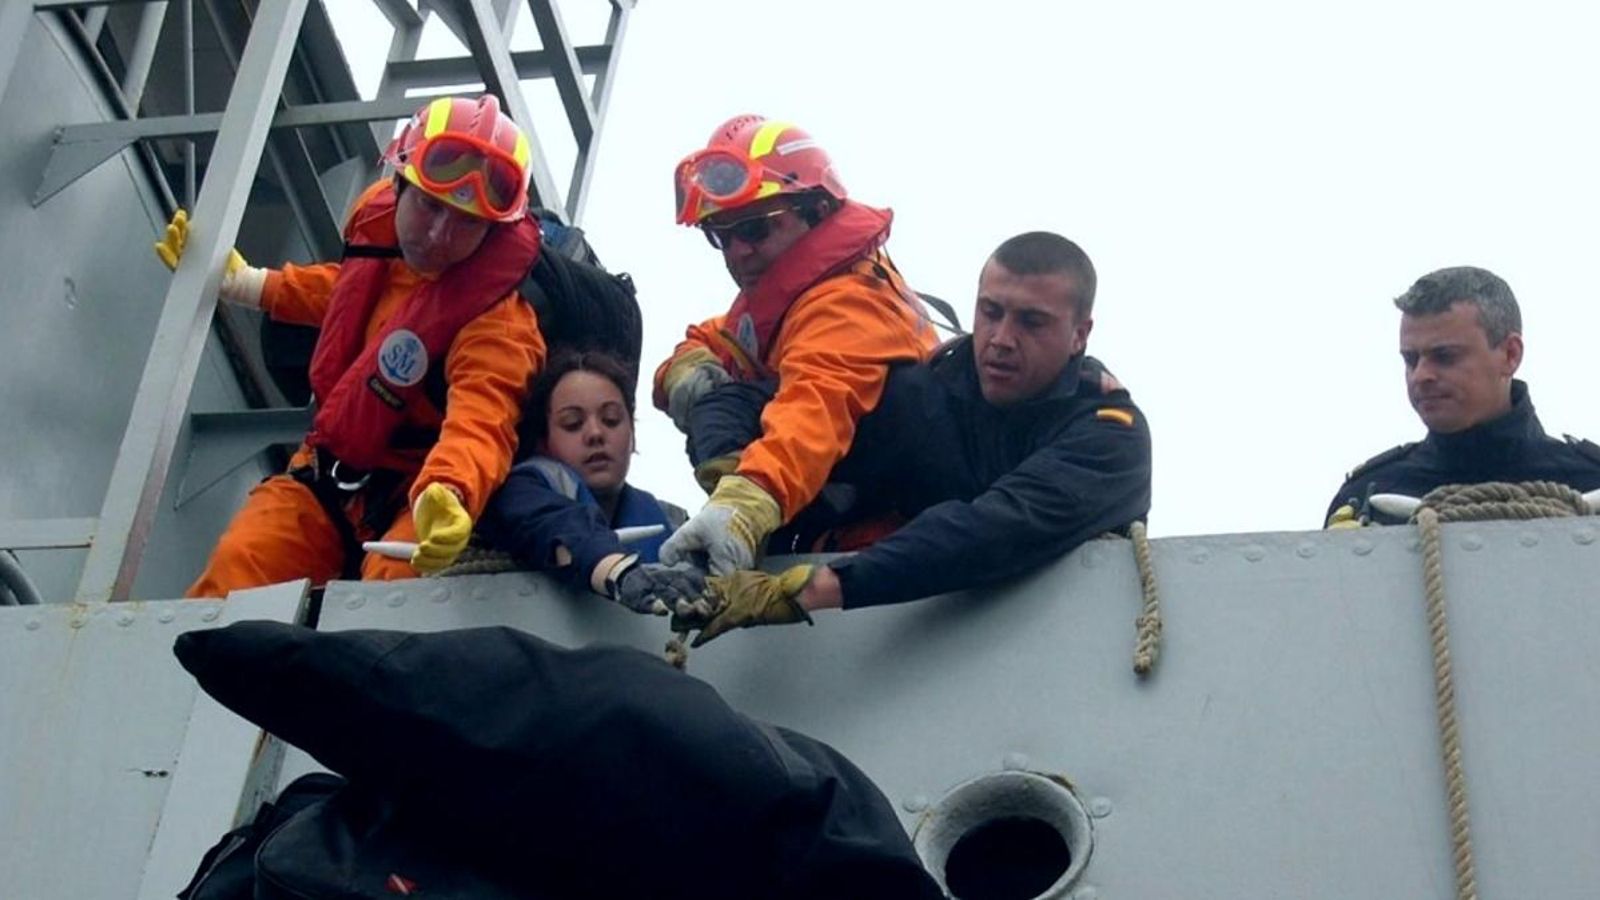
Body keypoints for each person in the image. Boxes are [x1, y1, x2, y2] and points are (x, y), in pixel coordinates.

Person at [678, 231, 1154, 645]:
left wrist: (809, 590)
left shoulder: (1109, 438)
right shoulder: (923, 391)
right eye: (990, 312)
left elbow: (990, 529)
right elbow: (739, 404)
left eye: (1031, 322)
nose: (1001, 339)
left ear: (1080, 334)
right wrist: (738, 499)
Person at [160, 95, 546, 596]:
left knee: (389, 598)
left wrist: (450, 491)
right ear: (399, 183)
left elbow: (484, 418)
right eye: (431, 205)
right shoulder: (382, 257)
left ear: (494, 231)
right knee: (238, 574)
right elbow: (341, 295)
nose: (440, 233)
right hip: (325, 476)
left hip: (417, 494)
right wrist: (244, 283)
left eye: (466, 222)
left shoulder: (501, 321)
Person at [653, 114, 940, 577]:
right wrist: (686, 369)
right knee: (718, 402)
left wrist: (746, 502)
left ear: (818, 211)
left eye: (755, 229)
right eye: (720, 236)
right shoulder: (781, 303)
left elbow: (813, 411)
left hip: (890, 537)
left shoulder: (846, 304)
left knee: (726, 407)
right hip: (843, 528)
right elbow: (711, 337)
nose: (737, 251)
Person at [1325, 266, 1600, 527]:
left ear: (1510, 354)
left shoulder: (1590, 480)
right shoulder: (1366, 499)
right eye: (1411, 360)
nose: (1421, 375)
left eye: (1445, 357)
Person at [476, 349, 706, 615]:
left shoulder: (676, 524)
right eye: (572, 424)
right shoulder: (517, 496)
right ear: (543, 442)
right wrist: (616, 571)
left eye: (611, 420)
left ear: (633, 434)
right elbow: (555, 525)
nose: (595, 433)